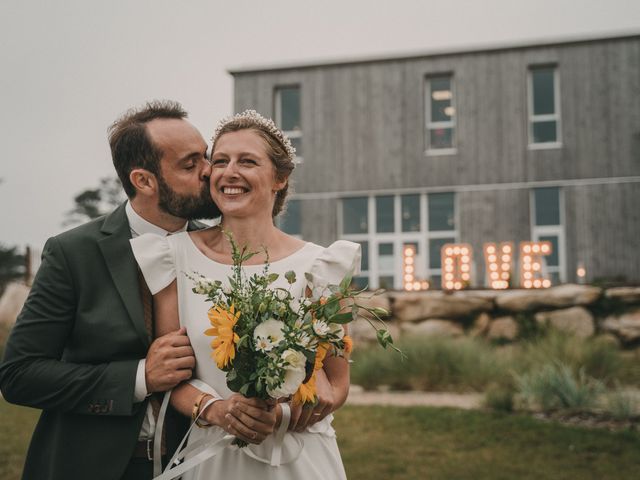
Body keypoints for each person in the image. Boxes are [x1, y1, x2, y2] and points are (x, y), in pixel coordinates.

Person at [131, 109, 360, 479]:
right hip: (212, 458)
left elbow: (335, 386)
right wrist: (217, 410)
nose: (229, 172)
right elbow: (172, 376)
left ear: (279, 178)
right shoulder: (172, 257)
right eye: (220, 161)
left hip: (299, 460)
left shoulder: (322, 267)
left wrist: (276, 413)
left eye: (247, 161)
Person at [0, 100, 221, 480]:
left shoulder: (224, 250)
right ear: (144, 181)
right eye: (190, 164)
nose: (210, 171)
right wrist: (140, 377)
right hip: (93, 466)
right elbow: (20, 375)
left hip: (203, 466)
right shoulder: (73, 253)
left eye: (206, 156)